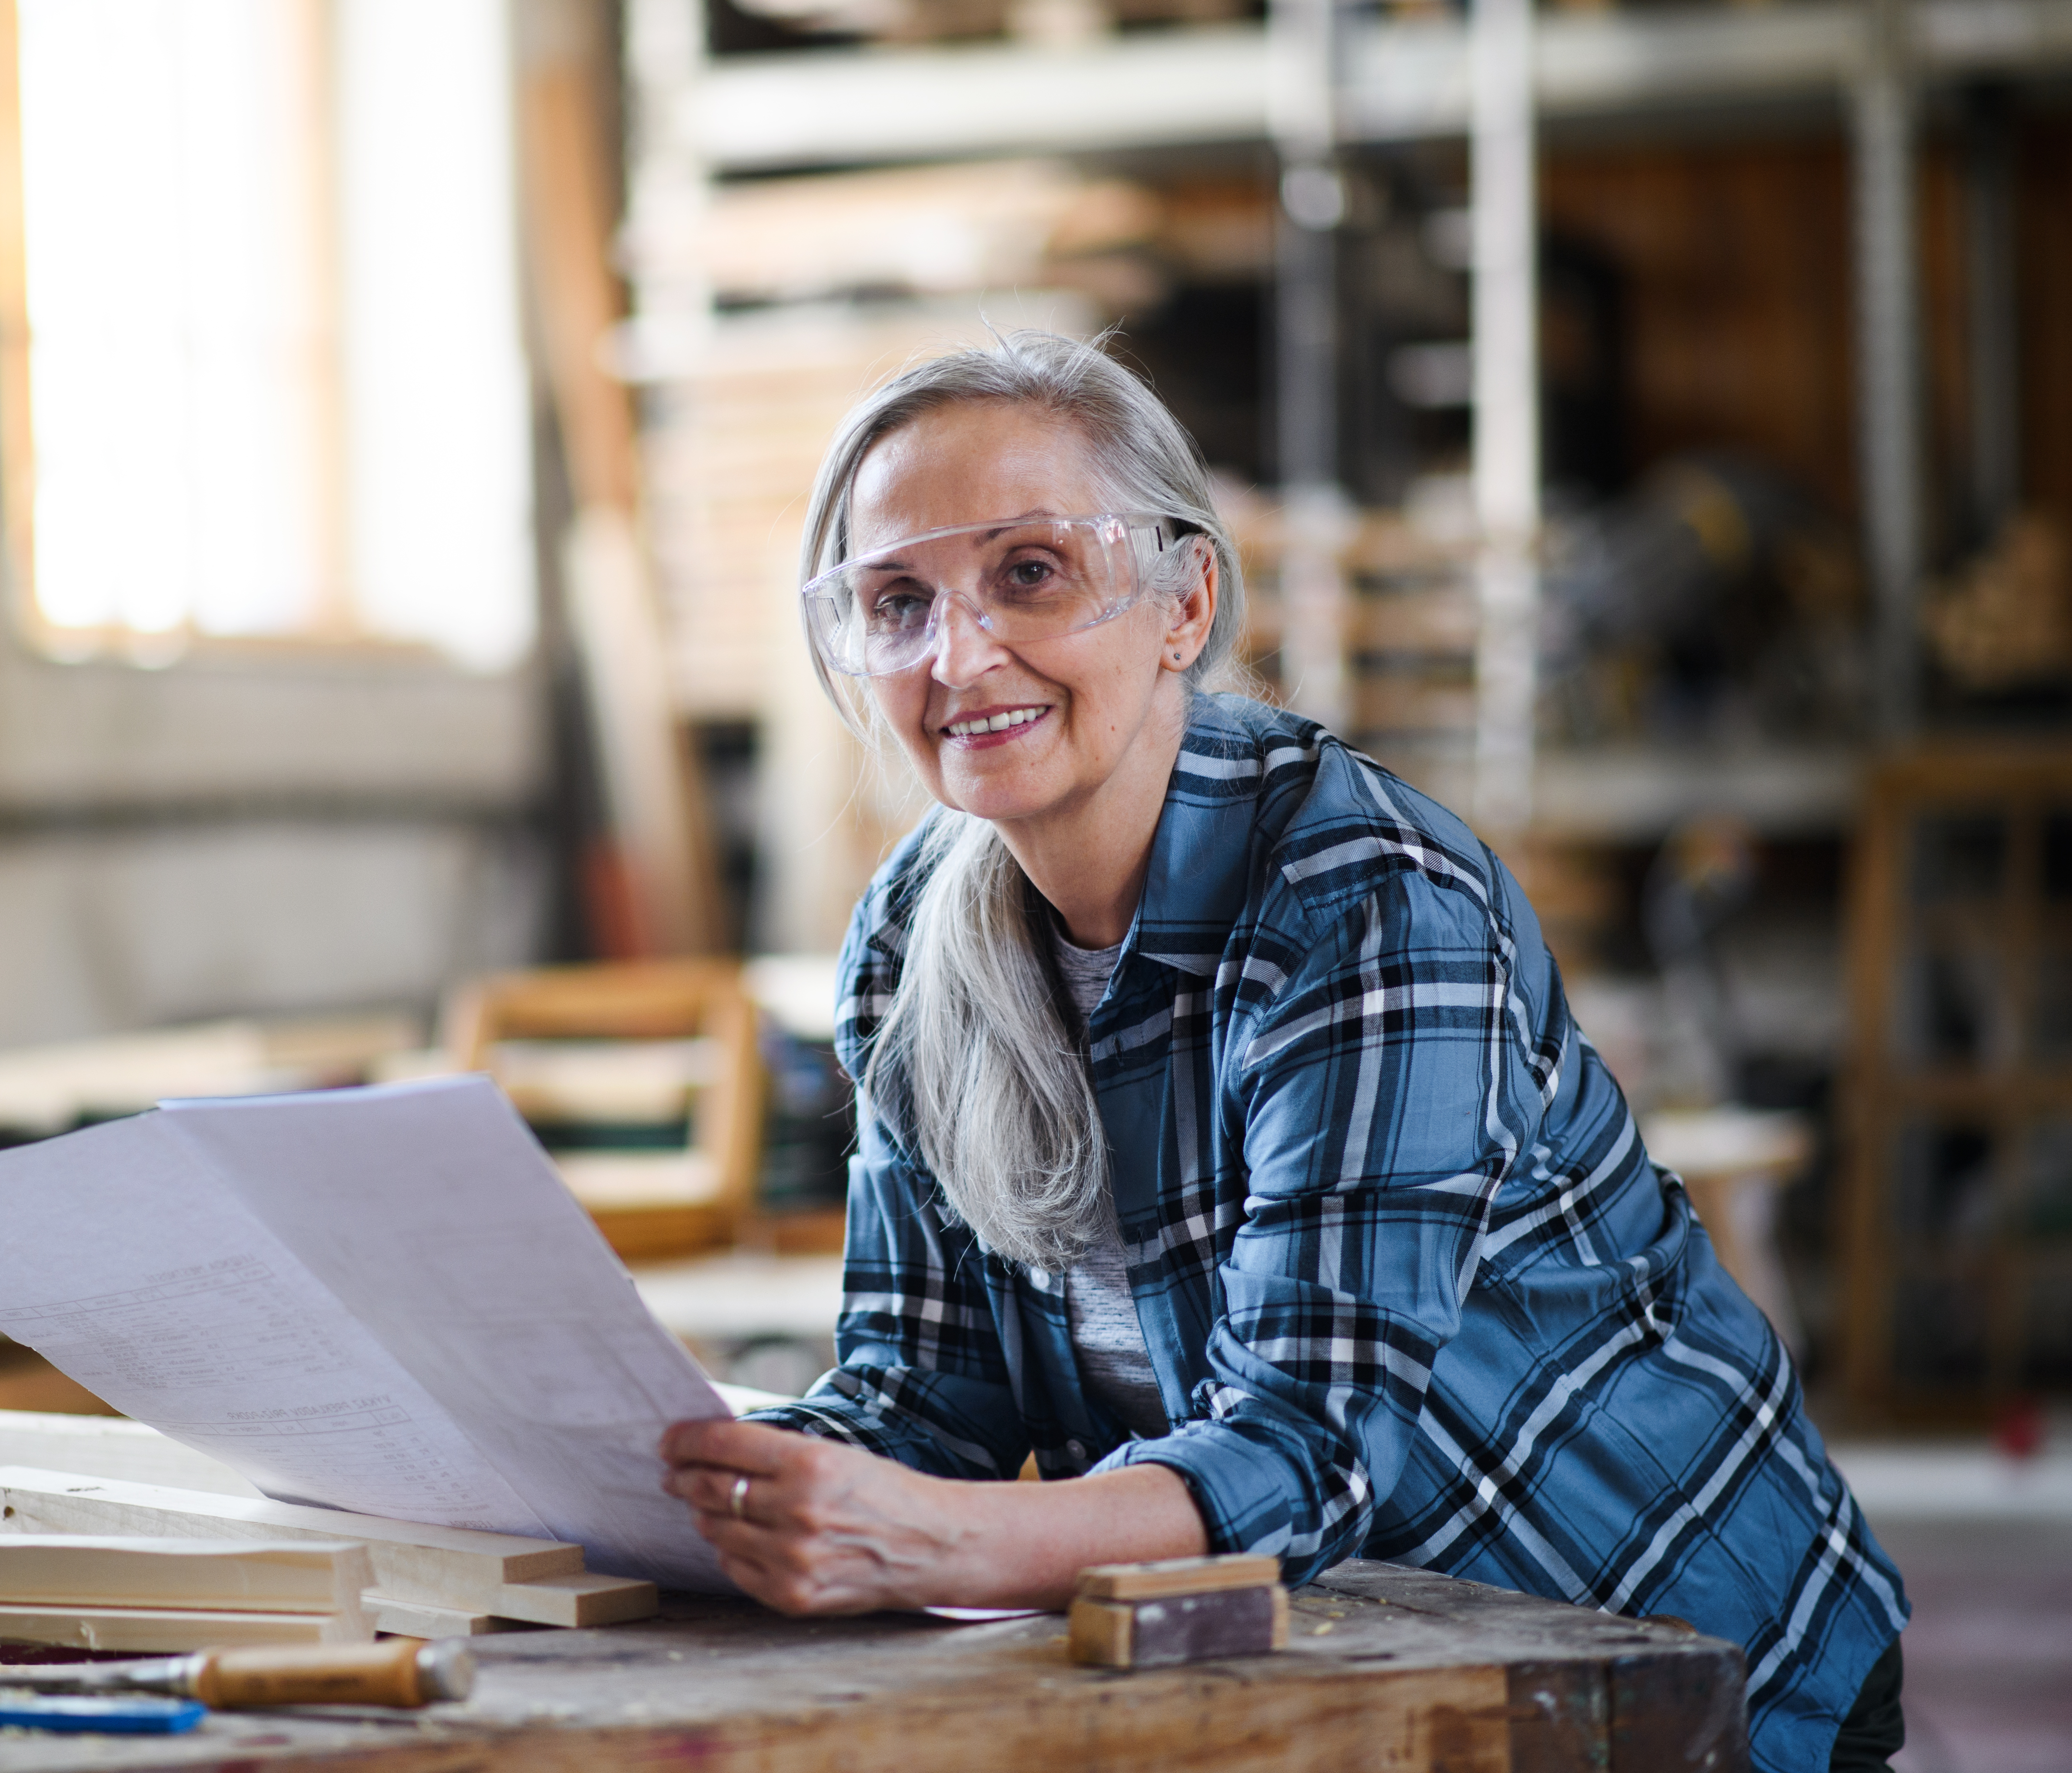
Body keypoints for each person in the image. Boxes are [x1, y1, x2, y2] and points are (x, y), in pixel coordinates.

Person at [656, 332, 1908, 1772]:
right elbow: (927, 1399)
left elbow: (1305, 1454)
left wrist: (933, 1539)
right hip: (1334, 1656)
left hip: (1661, 1652)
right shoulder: (911, 942)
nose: (959, 655)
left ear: (1184, 600)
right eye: (896, 603)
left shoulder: (1361, 892)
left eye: (1029, 574)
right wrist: (714, 1478)